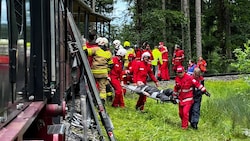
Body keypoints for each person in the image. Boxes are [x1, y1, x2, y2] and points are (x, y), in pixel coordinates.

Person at [84, 37, 113, 104]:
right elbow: (111, 64)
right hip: (103, 73)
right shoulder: (108, 53)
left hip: (94, 72)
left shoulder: (96, 49)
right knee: (102, 88)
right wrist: (107, 71)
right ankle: (102, 102)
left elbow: (86, 52)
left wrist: (83, 45)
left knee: (92, 87)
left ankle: (92, 100)